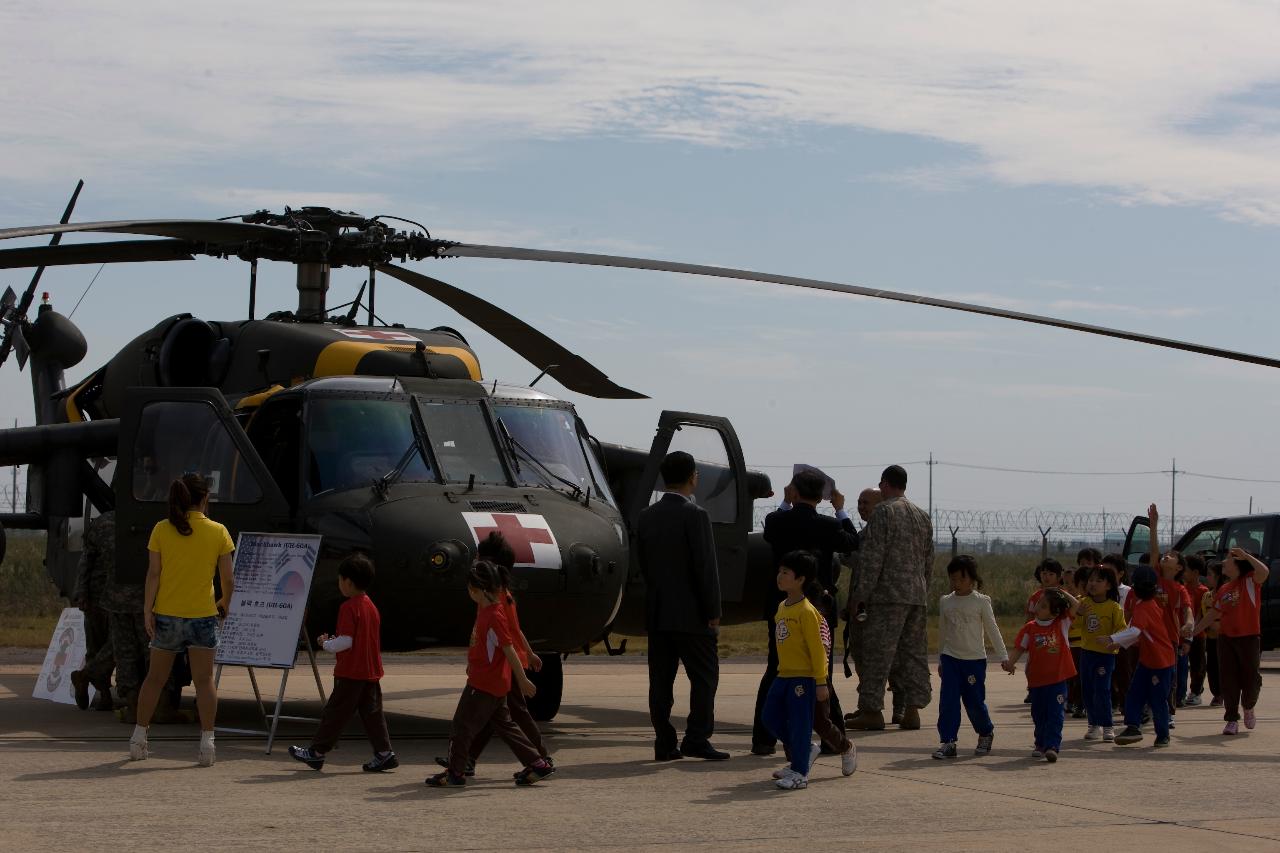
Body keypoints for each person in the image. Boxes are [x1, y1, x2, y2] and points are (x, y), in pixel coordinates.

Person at [128, 474, 234, 766]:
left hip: (167, 615)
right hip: (203, 615)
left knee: (155, 679)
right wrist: (224, 602)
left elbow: (153, 574)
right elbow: (228, 578)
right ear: (204, 499)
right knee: (204, 681)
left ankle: (138, 738)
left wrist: (147, 610)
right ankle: (207, 744)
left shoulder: (161, 530)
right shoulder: (219, 532)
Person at [755, 469, 858, 753]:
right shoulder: (827, 525)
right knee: (821, 672)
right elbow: (853, 540)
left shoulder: (778, 520)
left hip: (783, 607)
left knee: (776, 669)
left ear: (795, 492)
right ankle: (831, 738)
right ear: (821, 496)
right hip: (818, 605)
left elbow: (771, 530)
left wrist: (786, 503)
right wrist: (839, 509)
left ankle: (763, 740)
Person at [427, 560, 555, 787]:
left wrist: (523, 679)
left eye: (469, 588)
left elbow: (509, 650)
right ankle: (537, 763)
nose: (468, 592)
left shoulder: (494, 616)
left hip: (483, 684)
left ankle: (455, 772)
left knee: (461, 725)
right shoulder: (490, 611)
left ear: (478, 590)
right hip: (495, 684)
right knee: (506, 727)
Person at [636, 451, 726, 761]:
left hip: (659, 613)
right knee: (704, 678)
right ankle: (697, 738)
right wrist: (713, 611)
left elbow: (644, 566)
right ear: (692, 477)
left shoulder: (646, 516)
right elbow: (705, 567)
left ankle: (664, 742)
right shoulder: (695, 515)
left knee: (660, 682)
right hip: (692, 615)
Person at [288, 554, 397, 772]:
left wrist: (326, 644)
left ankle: (317, 752)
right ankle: (384, 753)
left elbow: (346, 642)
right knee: (373, 715)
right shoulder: (371, 607)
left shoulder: (349, 607)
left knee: (335, 712)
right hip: (370, 671)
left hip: (351, 673)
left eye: (340, 580)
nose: (339, 584)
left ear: (348, 582)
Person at [848, 465, 933, 731]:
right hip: (915, 596)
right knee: (912, 655)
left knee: (877, 653)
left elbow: (873, 559)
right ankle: (912, 710)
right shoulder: (922, 516)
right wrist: (921, 590)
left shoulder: (884, 512)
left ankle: (872, 710)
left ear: (885, 484)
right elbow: (929, 560)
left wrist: (860, 595)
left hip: (886, 597)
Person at [762, 551, 829, 790]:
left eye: (785, 573)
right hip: (783, 674)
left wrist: (821, 681)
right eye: (779, 571)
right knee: (769, 716)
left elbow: (818, 649)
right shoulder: (782, 607)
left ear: (800, 579)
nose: (779, 577)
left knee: (801, 723)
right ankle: (805, 750)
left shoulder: (807, 612)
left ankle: (800, 773)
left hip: (803, 677)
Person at [932, 555, 1006, 760]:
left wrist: (1004, 656)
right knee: (948, 701)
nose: (957, 584)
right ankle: (948, 741)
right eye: (953, 579)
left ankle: (985, 732)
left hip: (974, 660)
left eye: (961, 579)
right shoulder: (946, 601)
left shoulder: (981, 601)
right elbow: (943, 632)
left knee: (974, 701)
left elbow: (993, 629)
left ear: (972, 579)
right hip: (950, 658)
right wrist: (940, 659)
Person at [1191, 547, 1269, 735]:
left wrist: (1246, 556)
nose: (1224, 563)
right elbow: (1213, 613)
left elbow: (1264, 571)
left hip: (1249, 638)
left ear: (1238, 565)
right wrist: (1194, 632)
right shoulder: (1224, 589)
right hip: (1226, 639)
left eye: (1228, 560)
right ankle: (1231, 719)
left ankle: (1248, 706)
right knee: (1229, 679)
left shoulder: (1251, 581)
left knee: (1251, 678)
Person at [1003, 587, 1078, 762]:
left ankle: (1052, 746)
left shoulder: (1062, 623)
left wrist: (1059, 590)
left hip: (1058, 680)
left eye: (1044, 606)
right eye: (1039, 603)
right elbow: (1019, 648)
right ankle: (1040, 743)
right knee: (1038, 714)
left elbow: (1076, 604)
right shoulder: (1029, 628)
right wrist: (1010, 663)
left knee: (1055, 713)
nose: (1039, 607)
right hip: (1037, 680)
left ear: (1055, 612)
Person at [1104, 565, 1175, 747]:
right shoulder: (1145, 605)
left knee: (1157, 699)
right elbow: (1138, 633)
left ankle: (1163, 734)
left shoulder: (1144, 606)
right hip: (1148, 660)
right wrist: (1118, 642)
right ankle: (1133, 726)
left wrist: (1113, 638)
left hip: (1160, 662)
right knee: (1135, 694)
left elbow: (1135, 631)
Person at [1147, 505, 1193, 728]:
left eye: (1171, 557)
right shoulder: (1155, 577)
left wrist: (1190, 624)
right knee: (1147, 674)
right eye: (1165, 556)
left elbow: (1187, 610)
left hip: (1169, 639)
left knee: (1169, 679)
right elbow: (1154, 552)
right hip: (1149, 636)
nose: (1166, 557)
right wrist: (1153, 527)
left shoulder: (1179, 589)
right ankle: (1150, 708)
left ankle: (1169, 711)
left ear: (1179, 568)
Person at [70, 511, 119, 712]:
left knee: (103, 646)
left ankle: (87, 679)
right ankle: (102, 692)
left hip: (101, 593)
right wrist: (82, 594)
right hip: (111, 596)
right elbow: (86, 560)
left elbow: (85, 561)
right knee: (115, 645)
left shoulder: (100, 522)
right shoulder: (106, 523)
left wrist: (82, 593)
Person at [1076, 565, 1126, 742]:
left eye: (1099, 580)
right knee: (1088, 690)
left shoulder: (1114, 607)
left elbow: (1122, 629)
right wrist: (1079, 614)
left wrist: (1113, 640)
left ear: (1109, 586)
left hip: (1105, 656)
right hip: (1086, 653)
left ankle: (1107, 726)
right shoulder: (1083, 603)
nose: (1093, 584)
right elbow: (1074, 625)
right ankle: (1093, 724)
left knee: (1102, 690)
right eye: (1091, 580)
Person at [1182, 555, 1209, 706]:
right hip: (1183, 635)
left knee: (1198, 664)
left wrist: (1195, 629)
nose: (1183, 574)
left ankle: (1196, 692)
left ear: (1196, 572)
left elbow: (1203, 612)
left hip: (1198, 635)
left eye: (1186, 570)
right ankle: (1181, 691)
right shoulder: (1181, 588)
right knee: (1182, 664)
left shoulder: (1203, 591)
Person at [1065, 565, 1090, 719]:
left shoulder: (1086, 602)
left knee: (1082, 678)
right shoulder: (1075, 601)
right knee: (1072, 677)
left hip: (1085, 645)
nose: (1071, 587)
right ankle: (1073, 702)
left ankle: (1082, 705)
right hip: (1072, 645)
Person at [1199, 561, 1224, 708]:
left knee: (1224, 667)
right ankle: (1217, 694)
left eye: (1210, 574)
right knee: (1212, 666)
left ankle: (1224, 693)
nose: (1207, 577)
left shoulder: (1226, 595)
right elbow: (1202, 614)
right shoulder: (1206, 595)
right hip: (1210, 637)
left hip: (1224, 637)